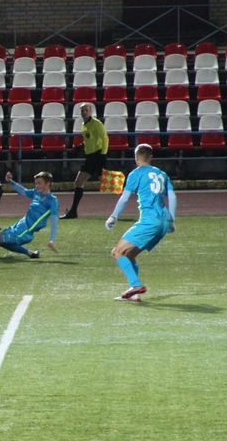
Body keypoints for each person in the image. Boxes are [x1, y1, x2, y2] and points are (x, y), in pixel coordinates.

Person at [105, 144, 176, 302]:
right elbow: (172, 196)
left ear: (136, 158)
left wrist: (114, 216)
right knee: (129, 255)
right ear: (151, 158)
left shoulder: (136, 173)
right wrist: (171, 219)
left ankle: (136, 285)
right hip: (163, 223)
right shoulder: (162, 174)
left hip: (149, 222)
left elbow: (124, 198)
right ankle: (135, 294)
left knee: (117, 252)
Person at [0, 171, 59, 259]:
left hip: (25, 232)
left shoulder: (52, 200)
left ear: (48, 183)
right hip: (19, 226)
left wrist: (52, 240)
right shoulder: (36, 192)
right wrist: (10, 181)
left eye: (39, 183)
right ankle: (30, 253)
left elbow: (54, 221)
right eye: (36, 183)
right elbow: (24, 191)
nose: (37, 185)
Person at [61, 103, 109, 219]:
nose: (84, 112)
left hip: (97, 155)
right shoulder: (84, 125)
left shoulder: (96, 123)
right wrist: (81, 146)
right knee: (81, 182)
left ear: (90, 111)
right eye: (82, 110)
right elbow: (90, 139)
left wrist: (103, 155)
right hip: (90, 156)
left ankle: (129, 190)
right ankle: (73, 211)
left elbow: (105, 139)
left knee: (104, 182)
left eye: (86, 110)